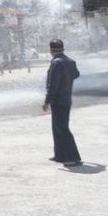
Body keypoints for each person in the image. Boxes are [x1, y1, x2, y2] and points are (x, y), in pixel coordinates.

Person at [43, 39, 82, 168]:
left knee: (62, 129)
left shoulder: (56, 63)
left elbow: (52, 85)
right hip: (66, 98)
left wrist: (47, 101)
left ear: (51, 50)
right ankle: (59, 154)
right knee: (57, 127)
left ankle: (72, 158)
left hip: (58, 100)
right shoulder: (70, 61)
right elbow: (76, 74)